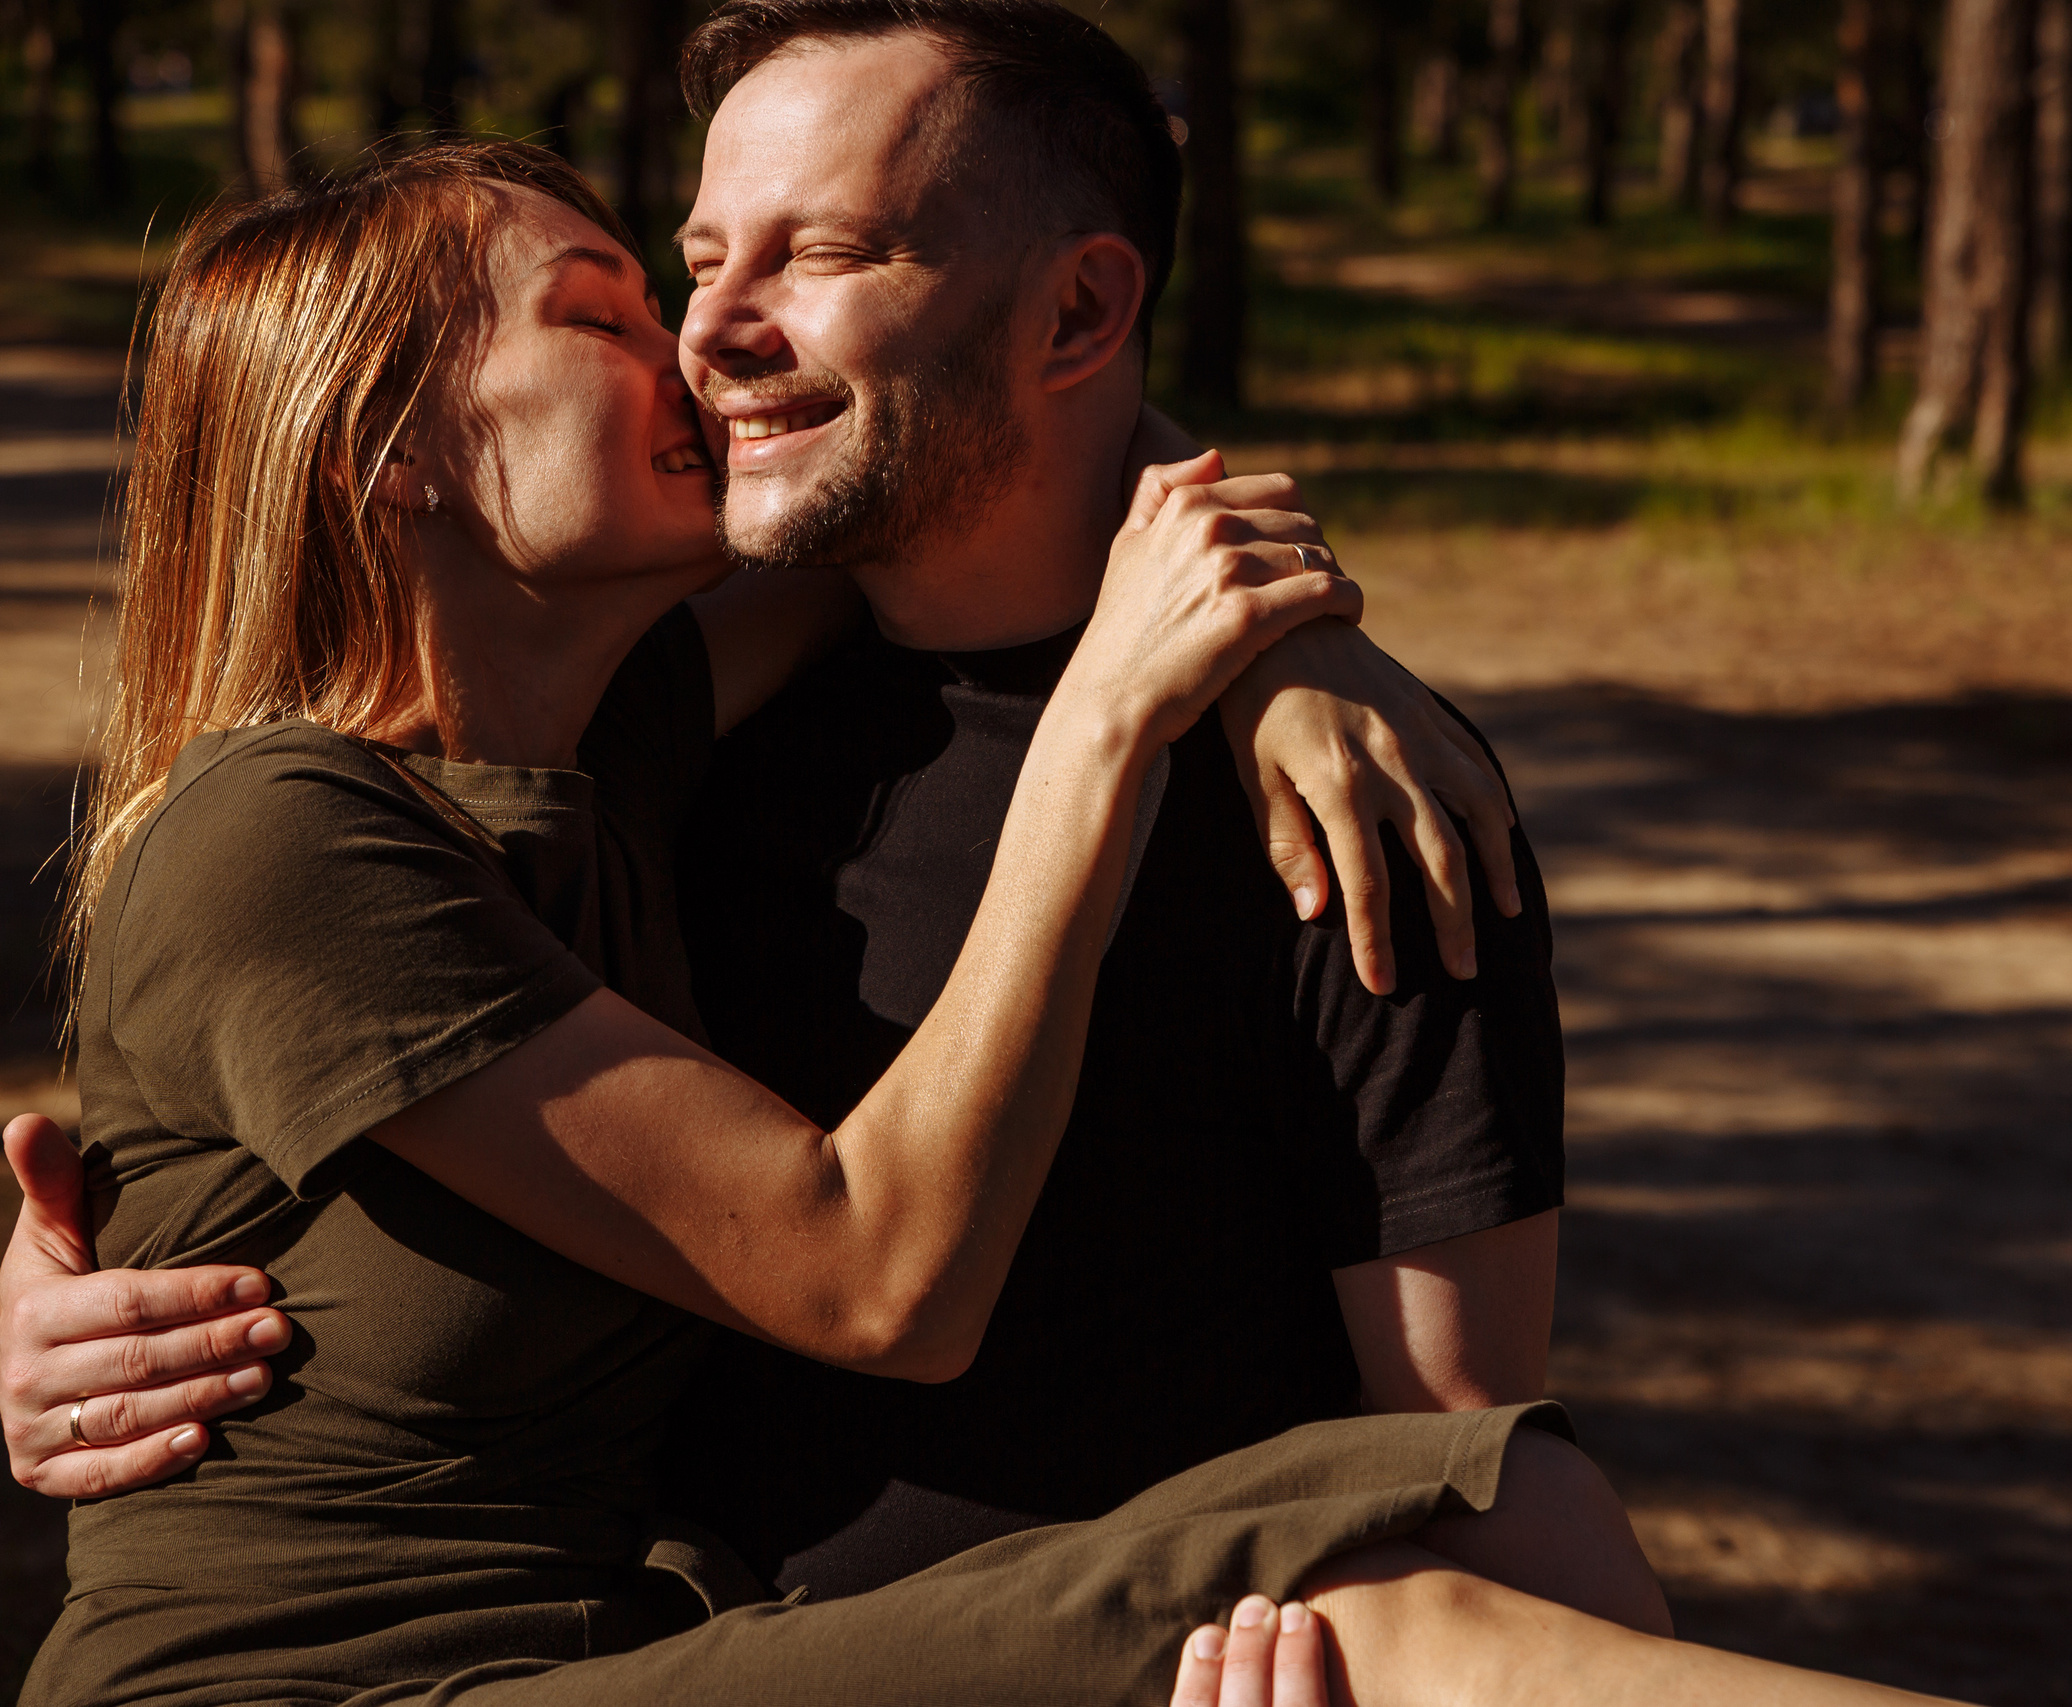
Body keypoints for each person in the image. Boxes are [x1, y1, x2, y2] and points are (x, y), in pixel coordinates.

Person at [0, 115, 1976, 1707]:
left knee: (1508, 1502)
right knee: (1410, 1638)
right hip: (341, 1686)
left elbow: (1008, 418)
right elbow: (876, 1274)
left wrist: (1283, 647)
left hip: (600, 1645)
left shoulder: (609, 745)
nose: (699, 346)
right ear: (394, 451)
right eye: (608, 314)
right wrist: (1116, 712)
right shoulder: (288, 830)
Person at [10, 0, 1568, 1596]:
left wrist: (1283, 642)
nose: (707, 336)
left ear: (1083, 308)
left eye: (813, 255)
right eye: (689, 269)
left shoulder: (1338, 795)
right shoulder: (611, 755)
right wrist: (67, 1266)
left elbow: (1459, 1446)